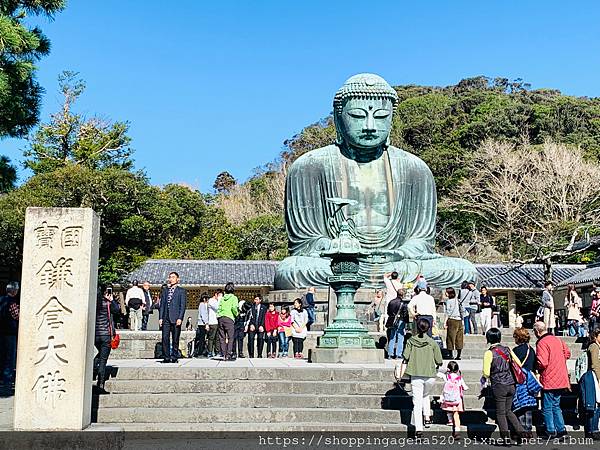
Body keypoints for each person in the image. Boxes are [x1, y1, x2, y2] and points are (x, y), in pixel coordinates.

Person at [482, 328, 526, 442]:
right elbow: (519, 363)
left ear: (488, 339)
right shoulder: (507, 349)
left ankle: (506, 438)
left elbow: (486, 373)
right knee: (508, 411)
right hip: (511, 384)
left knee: (501, 413)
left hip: (499, 385)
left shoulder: (489, 353)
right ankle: (521, 431)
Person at [401, 318, 442, 438]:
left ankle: (419, 428)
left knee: (417, 402)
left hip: (415, 374)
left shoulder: (410, 341)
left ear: (416, 328)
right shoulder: (432, 342)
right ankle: (427, 417)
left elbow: (405, 355)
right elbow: (439, 360)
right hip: (430, 375)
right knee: (425, 395)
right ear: (428, 328)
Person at [534, 321, 571, 438]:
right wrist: (558, 360)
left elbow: (543, 362)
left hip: (549, 378)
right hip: (561, 377)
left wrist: (536, 367)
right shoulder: (558, 340)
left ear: (537, 331)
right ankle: (561, 430)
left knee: (547, 407)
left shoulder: (541, 343)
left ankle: (550, 430)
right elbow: (568, 354)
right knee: (556, 405)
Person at [94, 285, 120, 393]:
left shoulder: (94, 303)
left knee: (100, 354)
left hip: (95, 334)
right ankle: (100, 383)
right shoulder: (108, 303)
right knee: (103, 360)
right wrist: (112, 300)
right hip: (106, 335)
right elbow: (117, 311)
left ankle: (94, 367)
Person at [512, 327, 537, 433]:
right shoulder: (531, 350)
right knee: (528, 406)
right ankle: (529, 428)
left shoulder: (515, 351)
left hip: (520, 381)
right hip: (530, 380)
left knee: (520, 406)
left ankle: (522, 429)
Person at [158, 272, 187, 363]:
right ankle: (166, 357)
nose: (171, 279)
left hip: (176, 318)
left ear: (177, 279)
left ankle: (174, 357)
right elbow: (162, 305)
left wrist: (180, 318)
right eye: (170, 277)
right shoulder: (165, 290)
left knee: (175, 338)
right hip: (166, 317)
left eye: (173, 277)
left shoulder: (181, 291)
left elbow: (182, 306)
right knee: (165, 338)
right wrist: (160, 318)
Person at [439, 361, 468, 439]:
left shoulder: (447, 377)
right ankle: (457, 430)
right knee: (456, 413)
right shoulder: (459, 378)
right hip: (456, 400)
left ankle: (450, 420)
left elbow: (438, 374)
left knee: (449, 410)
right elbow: (465, 387)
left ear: (448, 369)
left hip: (448, 399)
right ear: (457, 369)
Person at [0, 282, 19, 391]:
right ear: (14, 291)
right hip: (10, 333)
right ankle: (7, 381)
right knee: (9, 357)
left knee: (2, 356)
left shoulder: (1, 299)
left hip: (1, 332)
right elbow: (17, 316)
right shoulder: (12, 302)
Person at [582, 328, 600, 439]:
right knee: (594, 406)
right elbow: (595, 365)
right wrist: (599, 380)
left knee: (595, 405)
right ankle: (592, 430)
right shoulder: (594, 347)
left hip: (594, 377)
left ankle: (592, 429)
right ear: (596, 336)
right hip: (593, 378)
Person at [216, 282, 239, 361]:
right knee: (230, 337)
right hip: (229, 318)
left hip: (220, 318)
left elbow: (219, 308)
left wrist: (218, 317)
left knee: (222, 337)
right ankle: (229, 354)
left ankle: (224, 354)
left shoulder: (222, 298)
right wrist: (237, 314)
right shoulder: (234, 298)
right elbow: (234, 308)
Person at [444, 287, 465, 360]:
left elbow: (448, 312)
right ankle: (458, 355)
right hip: (459, 320)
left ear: (449, 293)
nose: (445, 293)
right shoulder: (458, 300)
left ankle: (451, 355)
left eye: (446, 292)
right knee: (459, 338)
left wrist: (445, 322)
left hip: (452, 320)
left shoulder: (448, 301)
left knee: (450, 338)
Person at [386, 288, 407, 359]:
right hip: (400, 320)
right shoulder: (403, 303)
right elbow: (404, 314)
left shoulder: (391, 302)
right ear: (403, 295)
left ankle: (390, 353)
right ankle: (398, 354)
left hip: (392, 320)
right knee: (400, 336)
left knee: (392, 336)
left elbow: (388, 312)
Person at [207, 290, 222, 357]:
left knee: (218, 338)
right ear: (216, 294)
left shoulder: (217, 301)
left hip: (218, 321)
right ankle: (210, 352)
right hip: (212, 322)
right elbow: (217, 307)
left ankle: (217, 351)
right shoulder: (211, 300)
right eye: (219, 295)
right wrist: (219, 299)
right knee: (211, 338)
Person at [194, 293, 210, 357]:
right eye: (207, 298)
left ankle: (201, 352)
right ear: (204, 299)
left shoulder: (201, 305)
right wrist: (206, 323)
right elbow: (203, 315)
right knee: (202, 339)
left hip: (201, 323)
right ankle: (200, 352)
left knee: (202, 338)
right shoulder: (202, 305)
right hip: (202, 324)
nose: (208, 300)